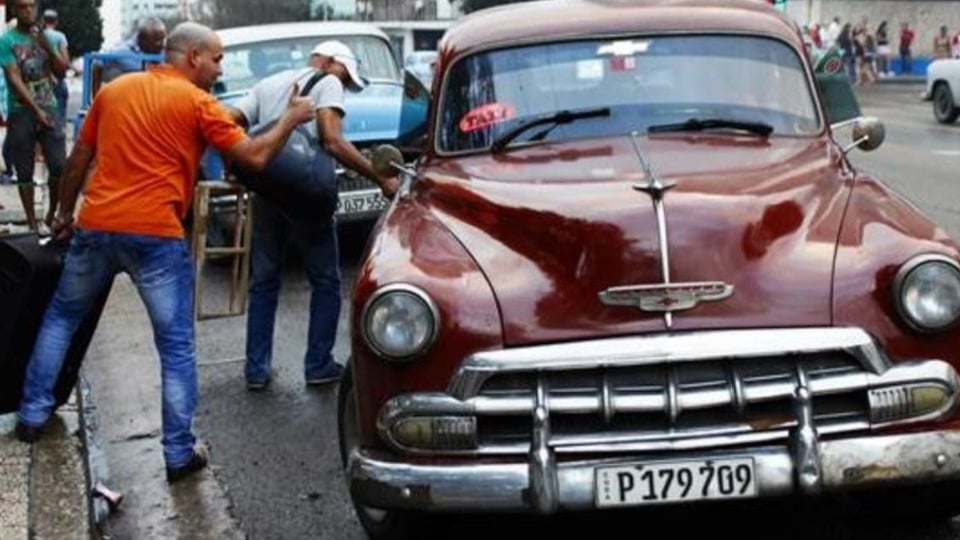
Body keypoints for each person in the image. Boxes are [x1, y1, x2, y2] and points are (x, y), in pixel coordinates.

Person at [15, 22, 315, 484]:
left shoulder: (115, 91)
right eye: (216, 58)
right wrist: (291, 119)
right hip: (155, 236)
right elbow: (254, 158)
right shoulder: (197, 103)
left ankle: (32, 416)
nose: (219, 68)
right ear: (192, 56)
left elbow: (78, 160)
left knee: (61, 318)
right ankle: (177, 455)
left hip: (97, 225)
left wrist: (62, 214)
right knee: (175, 347)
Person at [227, 40, 398, 391]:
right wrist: (379, 176)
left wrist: (234, 163)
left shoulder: (268, 83)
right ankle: (318, 364)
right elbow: (332, 141)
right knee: (326, 280)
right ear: (328, 62)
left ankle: (256, 369)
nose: (345, 86)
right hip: (304, 194)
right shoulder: (327, 81)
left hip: (268, 191)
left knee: (264, 281)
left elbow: (229, 122)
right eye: (346, 76)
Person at [0, 0, 69, 233]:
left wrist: (48, 47)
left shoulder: (45, 37)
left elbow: (61, 70)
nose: (28, 11)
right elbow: (14, 78)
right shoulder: (7, 40)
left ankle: (51, 214)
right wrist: (36, 110)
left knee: (59, 166)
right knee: (24, 169)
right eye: (22, 7)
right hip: (21, 111)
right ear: (15, 10)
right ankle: (31, 223)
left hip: (48, 105)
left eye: (31, 6)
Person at [91, 17, 166, 96]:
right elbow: (97, 63)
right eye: (157, 40)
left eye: (163, 38)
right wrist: (96, 98)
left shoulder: (167, 50)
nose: (162, 44)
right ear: (141, 39)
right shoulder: (122, 51)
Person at [42, 9, 68, 122]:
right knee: (59, 113)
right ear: (56, 21)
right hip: (57, 80)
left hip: (40, 81)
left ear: (43, 21)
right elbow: (65, 61)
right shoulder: (60, 37)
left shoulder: (38, 36)